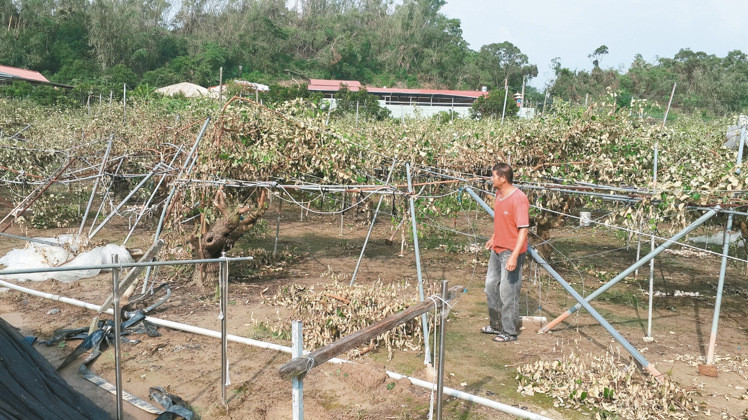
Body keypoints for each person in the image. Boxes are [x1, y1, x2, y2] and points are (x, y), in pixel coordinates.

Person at [480, 163, 529, 343]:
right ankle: (496, 326)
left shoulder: (519, 199)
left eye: (493, 176)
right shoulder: (499, 194)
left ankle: (509, 332)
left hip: (511, 251)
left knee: (508, 293)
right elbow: (502, 220)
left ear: (502, 178)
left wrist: (514, 256)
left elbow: (523, 230)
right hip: (497, 248)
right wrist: (494, 237)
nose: (491, 179)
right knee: (490, 287)